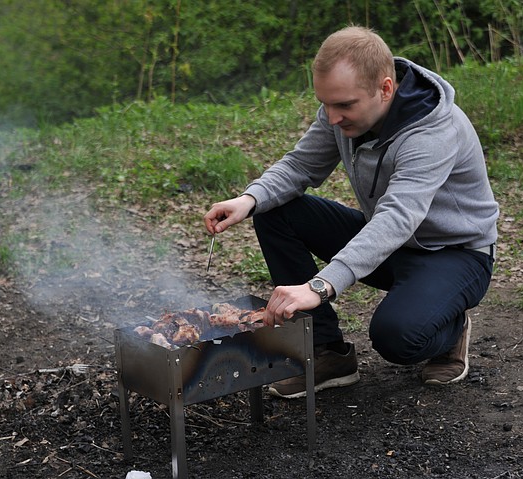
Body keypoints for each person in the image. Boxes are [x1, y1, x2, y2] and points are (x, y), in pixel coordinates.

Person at [203, 25, 498, 399]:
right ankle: (327, 352)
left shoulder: (433, 133)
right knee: (274, 209)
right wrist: (249, 200)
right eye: (325, 103)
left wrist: (319, 287)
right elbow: (299, 167)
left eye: (343, 105)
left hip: (454, 255)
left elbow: (397, 218)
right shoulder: (342, 113)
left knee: (397, 338)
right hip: (392, 247)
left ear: (386, 88)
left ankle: (450, 330)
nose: (332, 117)